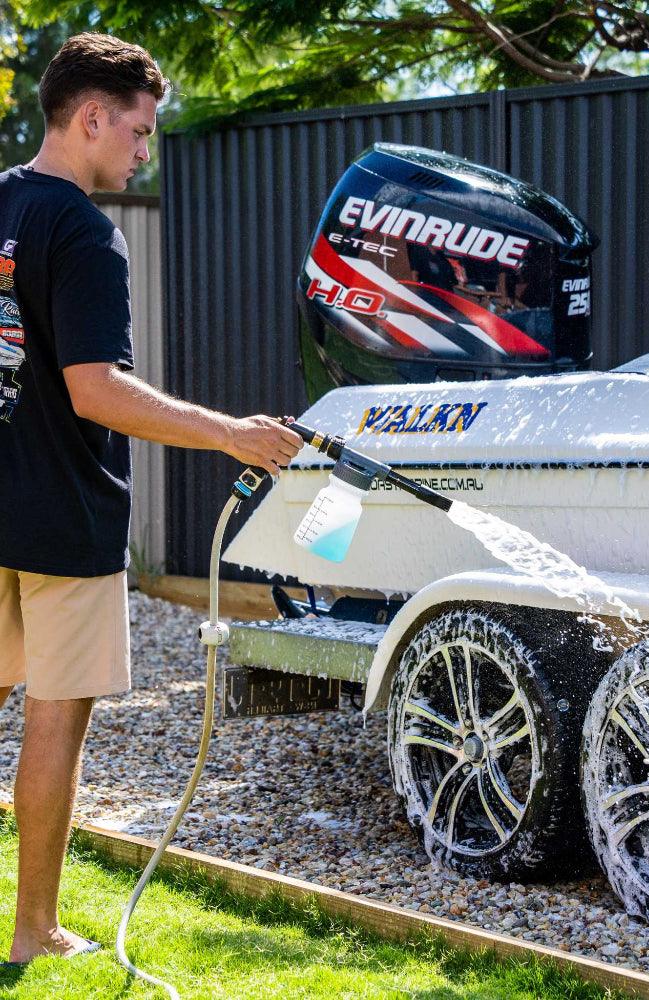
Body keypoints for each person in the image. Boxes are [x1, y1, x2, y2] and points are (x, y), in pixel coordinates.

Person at [0, 33, 302, 964]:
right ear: (91, 116)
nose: (142, 152)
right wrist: (228, 432)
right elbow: (94, 389)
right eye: (136, 132)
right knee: (56, 713)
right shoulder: (85, 232)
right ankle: (36, 931)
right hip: (63, 516)